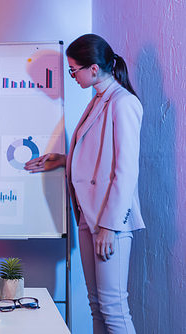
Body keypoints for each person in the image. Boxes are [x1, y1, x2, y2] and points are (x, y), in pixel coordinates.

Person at [25, 34, 144, 334]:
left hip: (108, 222)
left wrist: (110, 225)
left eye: (74, 70)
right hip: (89, 218)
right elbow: (100, 157)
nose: (72, 76)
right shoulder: (99, 101)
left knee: (114, 309)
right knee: (97, 306)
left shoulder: (122, 103)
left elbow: (126, 170)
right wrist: (65, 159)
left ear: (93, 69)